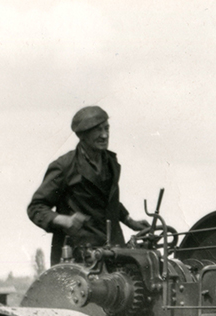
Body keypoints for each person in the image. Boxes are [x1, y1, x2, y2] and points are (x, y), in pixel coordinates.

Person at [28, 106, 149, 264]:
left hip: (114, 253)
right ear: (82, 135)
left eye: (107, 128)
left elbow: (105, 200)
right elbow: (36, 207)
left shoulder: (110, 162)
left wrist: (128, 220)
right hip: (78, 257)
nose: (104, 135)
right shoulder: (64, 166)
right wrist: (62, 220)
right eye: (98, 130)